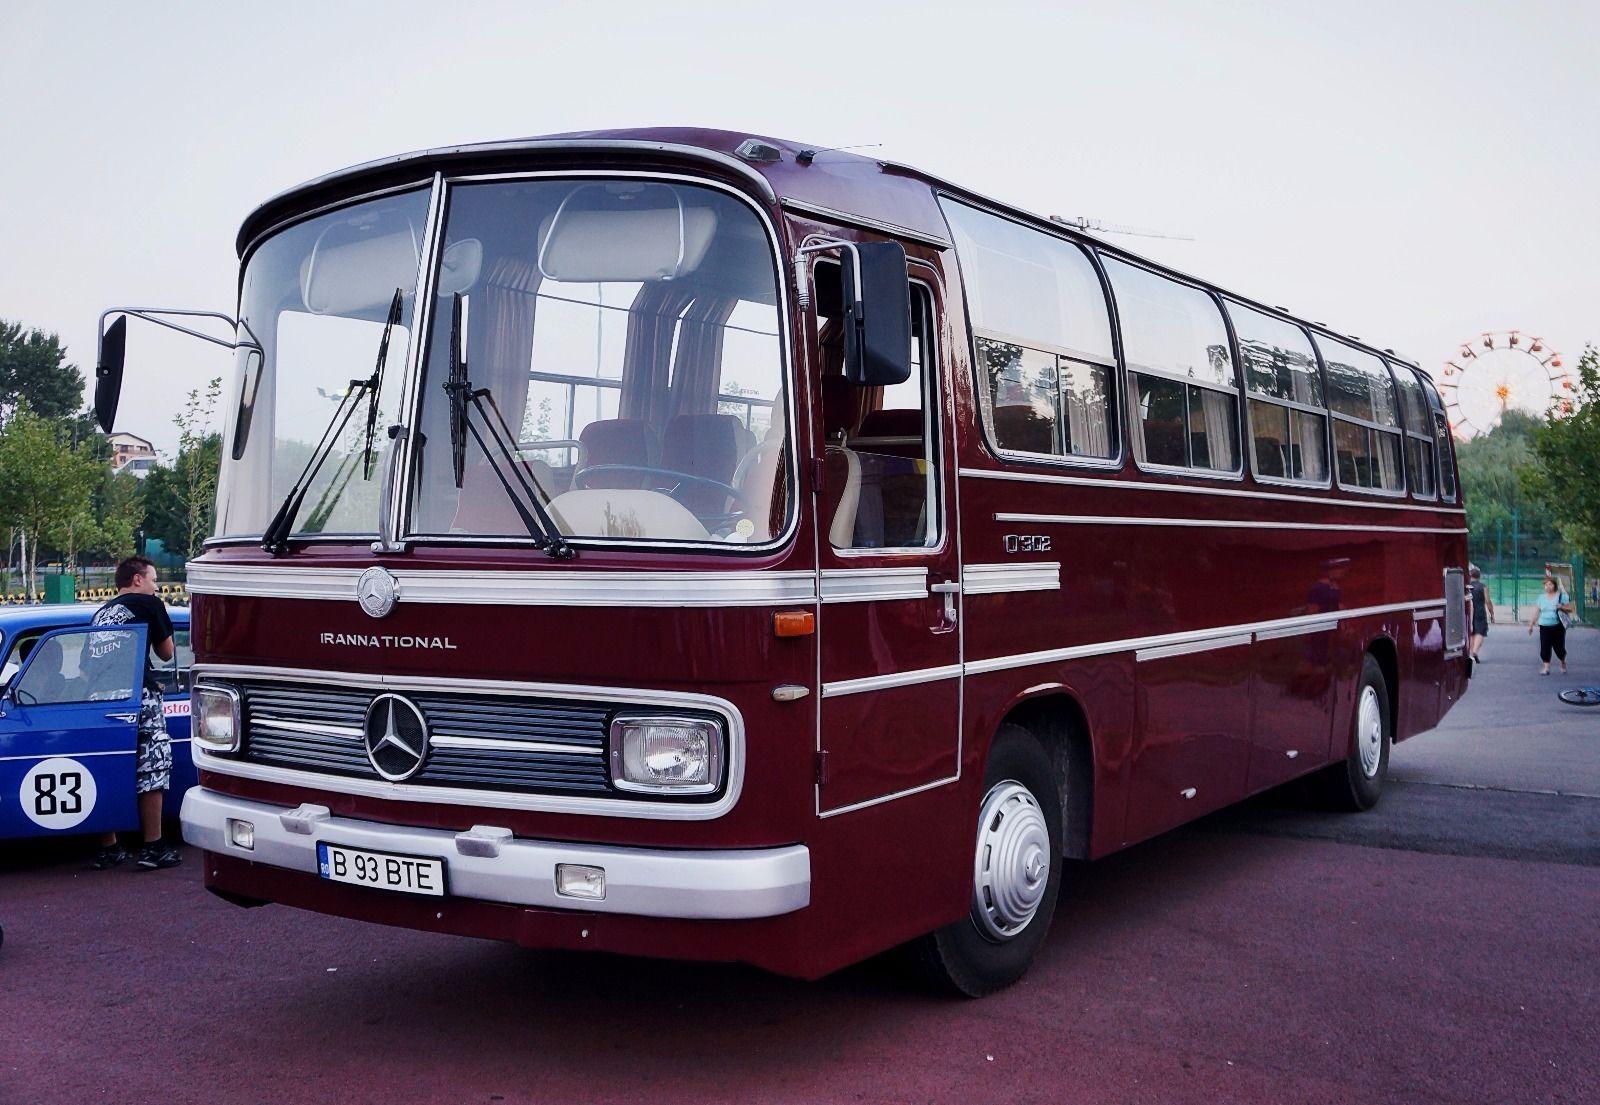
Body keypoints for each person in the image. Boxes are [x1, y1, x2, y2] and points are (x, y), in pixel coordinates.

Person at [91, 557, 181, 870]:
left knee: (107, 768)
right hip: (138, 696)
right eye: (154, 580)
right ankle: (153, 846)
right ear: (138, 579)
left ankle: (109, 847)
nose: (157, 587)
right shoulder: (149, 604)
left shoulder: (101, 612)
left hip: (100, 698)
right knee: (152, 768)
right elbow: (166, 653)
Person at [1526, 575, 1574, 676]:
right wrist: (1531, 624)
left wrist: (1562, 607)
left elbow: (1571, 609)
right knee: (1545, 647)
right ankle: (1546, 668)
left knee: (1559, 648)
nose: (1548, 586)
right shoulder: (1541, 598)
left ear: (1554, 585)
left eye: (1550, 584)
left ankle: (1562, 661)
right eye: (1546, 585)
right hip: (1544, 625)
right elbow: (1537, 612)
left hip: (1557, 626)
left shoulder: (1561, 596)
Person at [1467, 566, 1493, 662]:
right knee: (1480, 632)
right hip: (1480, 611)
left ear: (1470, 576)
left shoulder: (1467, 587)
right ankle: (1475, 651)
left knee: (1471, 632)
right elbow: (1488, 601)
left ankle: (1470, 653)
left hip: (1468, 611)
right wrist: (1492, 614)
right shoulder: (1483, 587)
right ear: (1479, 576)